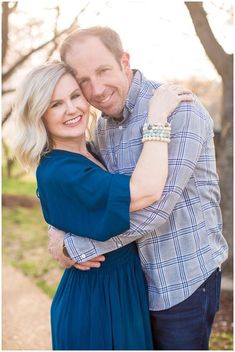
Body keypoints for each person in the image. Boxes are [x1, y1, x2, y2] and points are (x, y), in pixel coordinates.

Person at [48, 26, 229, 350]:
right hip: (133, 288)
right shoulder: (102, 125)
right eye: (84, 81)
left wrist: (73, 247)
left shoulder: (179, 110)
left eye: (103, 70)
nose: (97, 89)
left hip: (182, 282)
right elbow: (92, 192)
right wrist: (55, 227)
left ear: (124, 60)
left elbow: (154, 210)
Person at [11, 61, 192, 350]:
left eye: (74, 96)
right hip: (96, 302)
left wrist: (63, 241)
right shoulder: (60, 169)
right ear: (39, 116)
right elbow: (144, 192)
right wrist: (157, 117)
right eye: (55, 104)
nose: (71, 109)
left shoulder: (93, 151)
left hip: (122, 290)